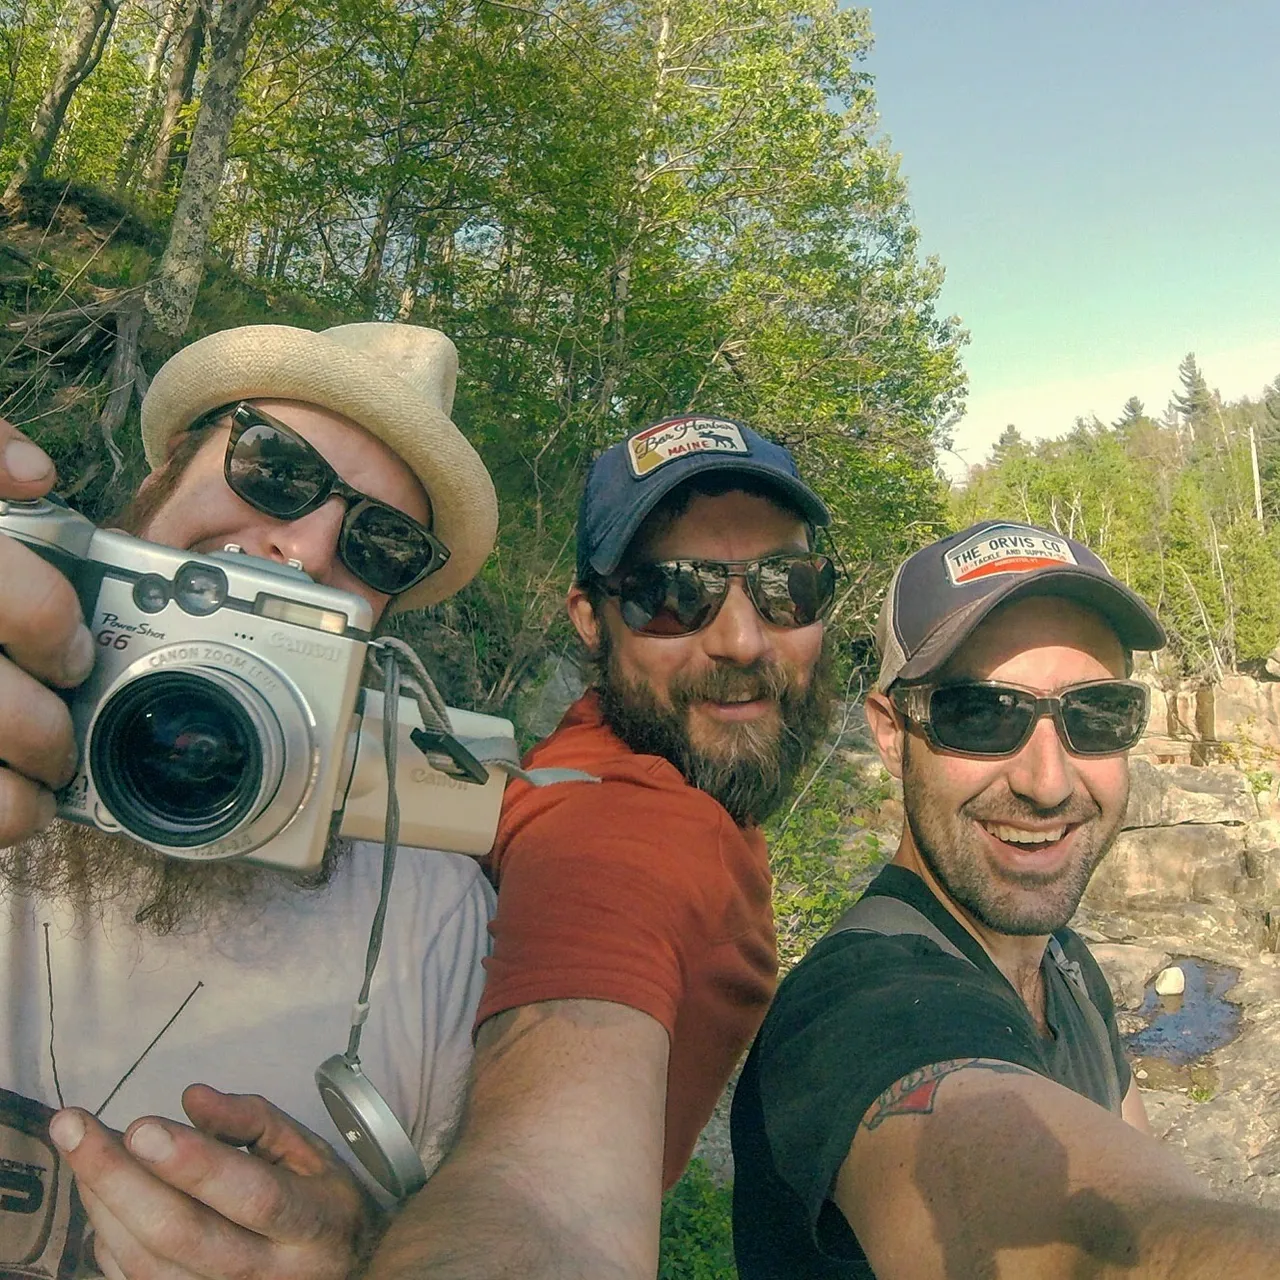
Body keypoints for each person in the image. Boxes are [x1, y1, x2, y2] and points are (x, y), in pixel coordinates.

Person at [0, 322, 501, 1279]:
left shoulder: (427, 922)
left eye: (382, 544)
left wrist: (363, 1253)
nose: (307, 547)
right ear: (164, 473)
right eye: (274, 467)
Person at [730, 519, 1280, 1279]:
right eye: (981, 714)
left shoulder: (1067, 964)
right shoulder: (851, 1014)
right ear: (892, 734)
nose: (1047, 782)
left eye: (1097, 714)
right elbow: (1107, 1244)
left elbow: (1138, 1168)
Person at [367, 415, 838, 1278]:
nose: (741, 639)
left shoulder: (636, 749)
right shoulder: (635, 824)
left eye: (787, 586)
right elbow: (541, 1196)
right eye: (673, 595)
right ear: (590, 618)